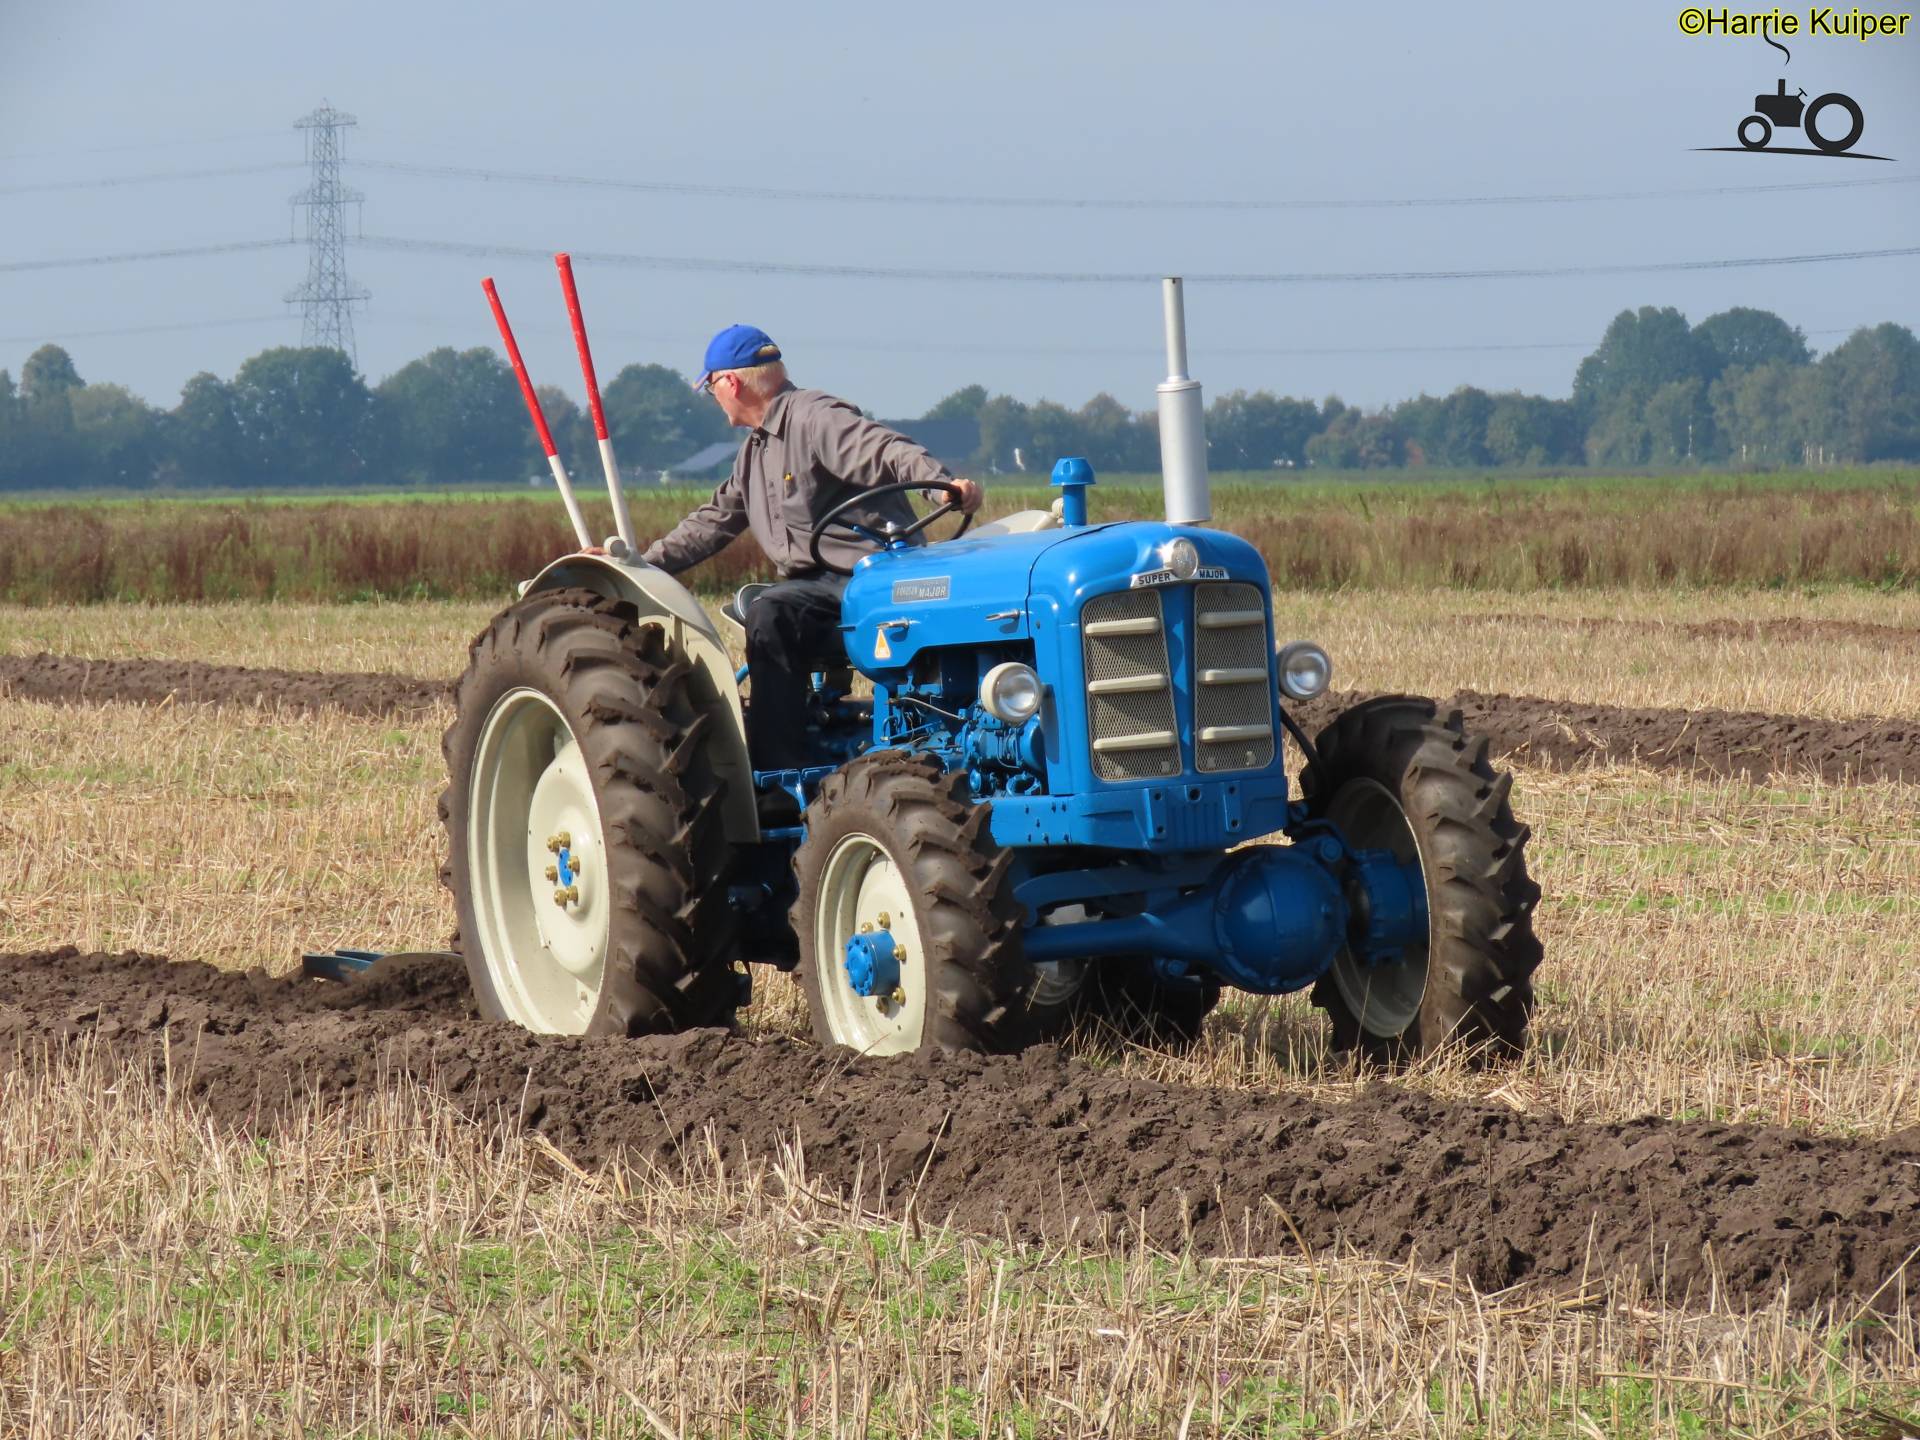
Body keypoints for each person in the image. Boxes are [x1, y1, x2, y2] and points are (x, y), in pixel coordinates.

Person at [638, 324, 982, 778]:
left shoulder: (814, 418)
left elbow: (884, 449)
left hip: (869, 578)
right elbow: (711, 522)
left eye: (711, 389)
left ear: (731, 383)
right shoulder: (754, 454)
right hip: (817, 589)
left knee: (772, 613)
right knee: (775, 607)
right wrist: (638, 566)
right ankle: (795, 747)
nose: (714, 398)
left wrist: (941, 487)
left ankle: (780, 768)